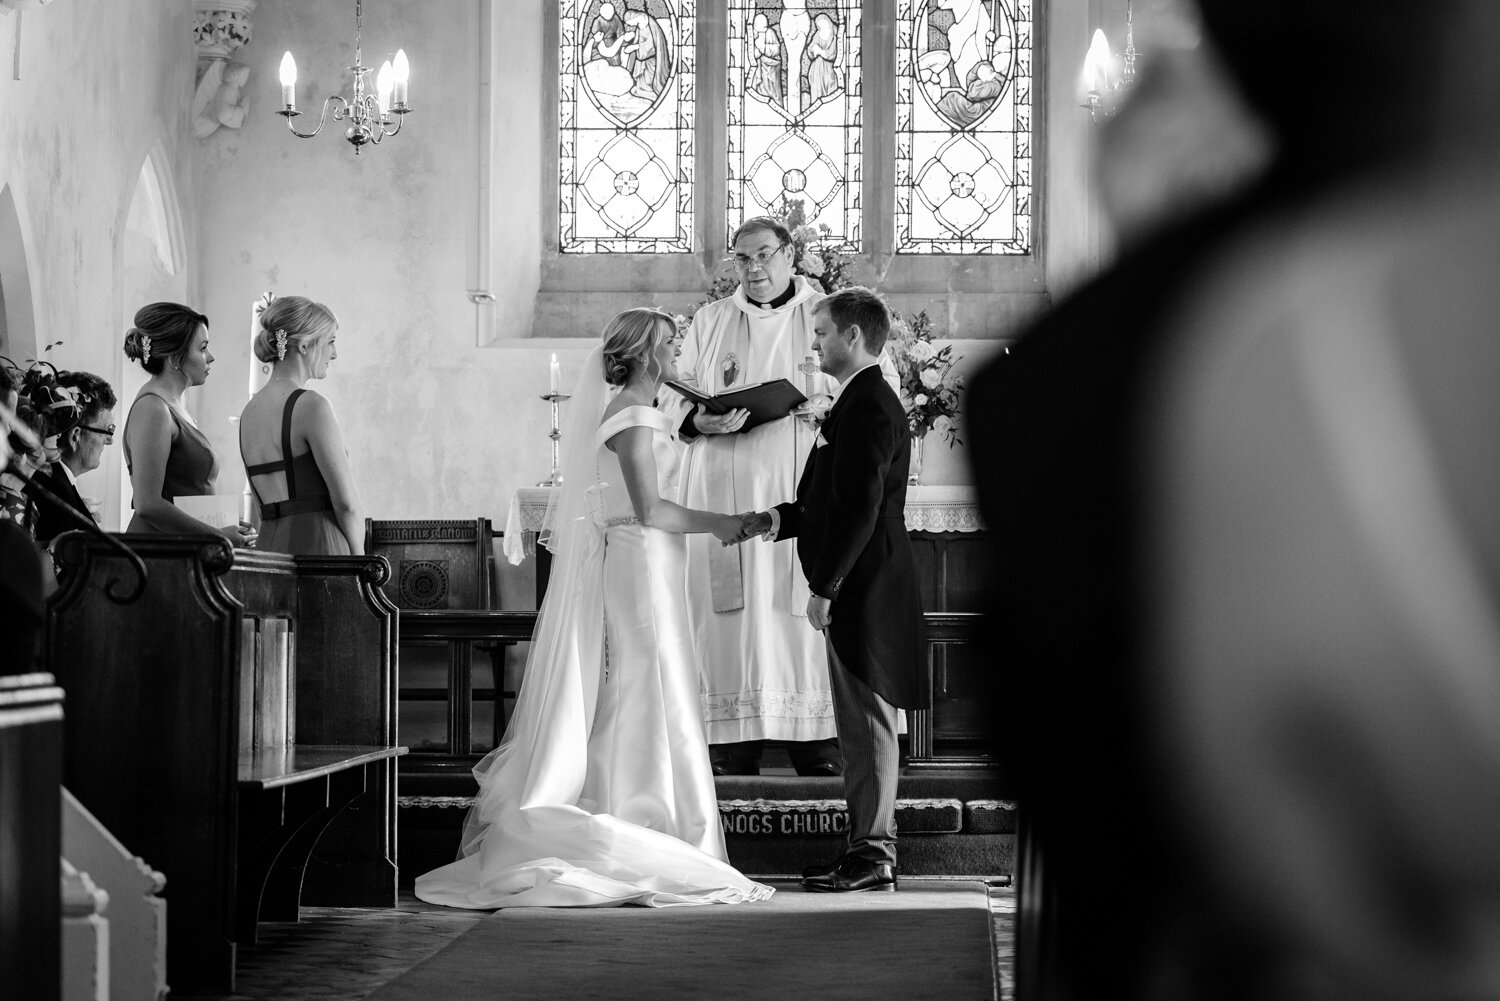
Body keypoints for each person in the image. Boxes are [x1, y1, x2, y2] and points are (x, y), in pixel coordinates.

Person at [415, 308, 772, 909]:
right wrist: (730, 523)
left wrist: (694, 432)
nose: (678, 355)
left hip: (653, 561)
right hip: (643, 560)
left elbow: (657, 467)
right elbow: (653, 510)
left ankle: (648, 808)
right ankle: (643, 815)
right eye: (671, 344)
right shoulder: (632, 418)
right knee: (647, 685)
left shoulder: (644, 416)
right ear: (647, 353)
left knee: (654, 684)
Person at [739, 287, 924, 893]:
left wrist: (827, 586)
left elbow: (860, 511)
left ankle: (874, 855)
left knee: (868, 720)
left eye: (820, 333)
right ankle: (864, 850)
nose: (813, 342)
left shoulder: (869, 404)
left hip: (864, 584)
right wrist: (779, 519)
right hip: (860, 580)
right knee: (855, 721)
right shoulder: (855, 400)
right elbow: (829, 501)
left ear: (851, 336)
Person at [665, 215, 845, 777]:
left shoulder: (828, 316)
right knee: (733, 621)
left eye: (764, 254)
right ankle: (730, 744)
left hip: (800, 491)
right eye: (742, 259)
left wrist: (826, 407)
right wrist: (699, 423)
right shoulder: (710, 321)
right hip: (727, 488)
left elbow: (869, 385)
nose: (754, 268)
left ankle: (815, 742)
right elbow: (671, 396)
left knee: (797, 613)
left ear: (790, 254)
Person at [121, 302, 256, 546]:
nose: (211, 357)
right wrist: (218, 536)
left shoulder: (171, 404)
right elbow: (148, 504)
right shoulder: (153, 408)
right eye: (203, 348)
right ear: (174, 358)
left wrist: (223, 525)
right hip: (157, 551)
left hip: (182, 548)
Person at [239, 294, 363, 556]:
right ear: (305, 346)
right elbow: (346, 505)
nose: (335, 354)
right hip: (319, 548)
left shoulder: (249, 412)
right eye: (330, 342)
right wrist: (362, 564)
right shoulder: (311, 406)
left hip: (268, 552)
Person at [34, 371, 116, 545]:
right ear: (75, 436)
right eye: (108, 430)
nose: (110, 441)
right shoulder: (55, 491)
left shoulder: (56, 482)